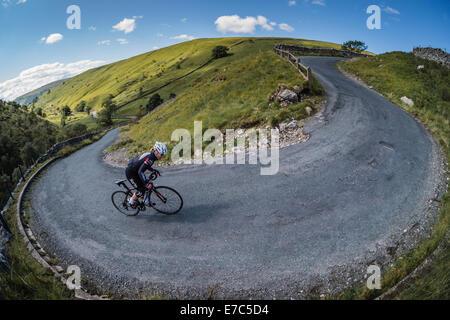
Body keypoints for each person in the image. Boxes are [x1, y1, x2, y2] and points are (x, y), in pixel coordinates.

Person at [126, 142, 167, 207]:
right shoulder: (150, 158)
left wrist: (153, 170)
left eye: (163, 155)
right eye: (161, 154)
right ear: (156, 151)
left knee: (146, 186)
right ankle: (131, 201)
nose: (162, 156)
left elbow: (146, 166)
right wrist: (146, 183)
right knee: (141, 190)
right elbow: (140, 171)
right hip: (131, 173)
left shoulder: (152, 157)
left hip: (136, 171)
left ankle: (145, 201)